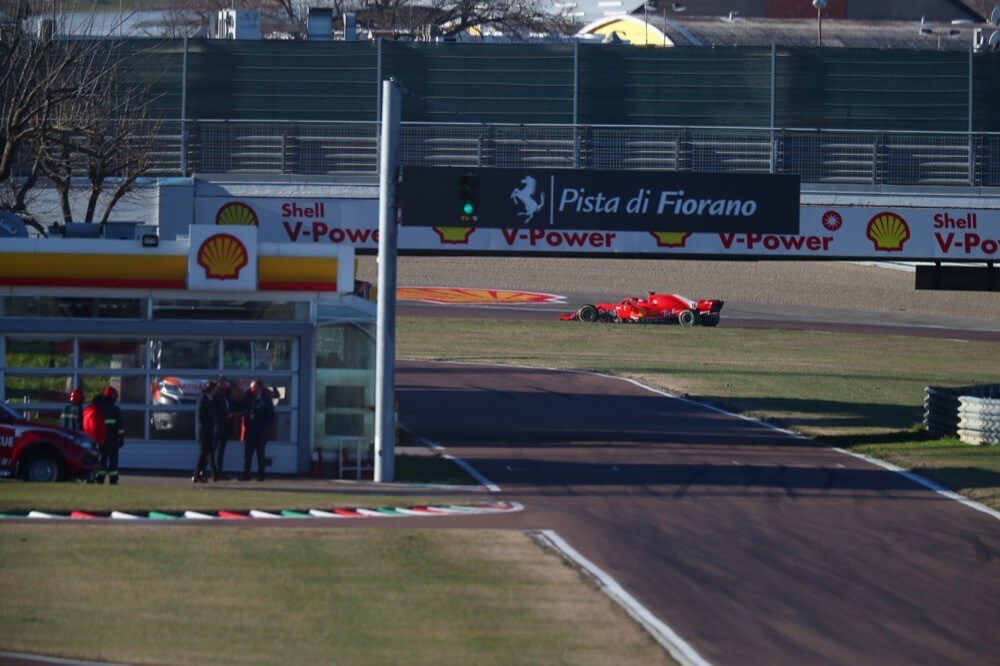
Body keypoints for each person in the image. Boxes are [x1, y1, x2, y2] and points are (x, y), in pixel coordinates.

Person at [240, 380, 275, 482]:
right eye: (251, 387)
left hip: (260, 432)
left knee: (260, 455)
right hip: (250, 431)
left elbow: (271, 416)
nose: (252, 389)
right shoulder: (249, 397)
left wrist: (263, 426)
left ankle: (261, 475)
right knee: (247, 455)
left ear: (259, 387)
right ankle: (246, 475)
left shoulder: (266, 399)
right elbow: (244, 409)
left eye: (254, 387)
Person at [193, 380, 219, 483]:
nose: (217, 390)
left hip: (208, 430)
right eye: (215, 389)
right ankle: (196, 475)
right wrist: (209, 422)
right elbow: (200, 415)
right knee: (203, 453)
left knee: (210, 452)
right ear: (211, 390)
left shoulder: (209, 399)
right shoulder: (203, 398)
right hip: (203, 431)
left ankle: (214, 474)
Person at [98, 386, 125, 485]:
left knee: (103, 458)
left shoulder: (100, 409)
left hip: (102, 439)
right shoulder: (116, 410)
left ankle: (100, 478)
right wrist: (121, 438)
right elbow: (120, 426)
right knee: (113, 459)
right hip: (113, 439)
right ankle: (113, 480)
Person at [212, 376, 233, 478]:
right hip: (217, 427)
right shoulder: (216, 395)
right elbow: (215, 411)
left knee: (221, 451)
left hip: (225, 427)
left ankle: (219, 472)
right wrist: (225, 415)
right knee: (212, 450)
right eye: (224, 384)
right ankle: (203, 470)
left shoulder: (226, 395)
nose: (226, 386)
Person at [82, 394, 106, 484]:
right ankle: (91, 478)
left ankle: (89, 477)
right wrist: (101, 441)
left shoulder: (87, 410)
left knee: (89, 460)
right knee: (95, 461)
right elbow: (98, 428)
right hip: (95, 441)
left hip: (86, 439)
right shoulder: (98, 412)